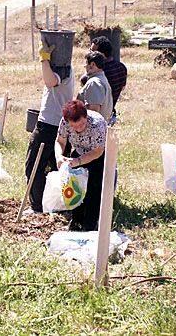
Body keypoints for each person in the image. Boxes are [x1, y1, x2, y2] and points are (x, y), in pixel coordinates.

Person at [25, 42, 75, 213]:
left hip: (50, 126)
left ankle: (40, 206)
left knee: (34, 166)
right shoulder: (62, 68)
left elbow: (49, 81)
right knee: (55, 168)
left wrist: (44, 59)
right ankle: (55, 204)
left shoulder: (64, 69)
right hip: (56, 125)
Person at [55, 100, 107, 231]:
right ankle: (76, 220)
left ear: (86, 117)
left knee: (93, 191)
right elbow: (60, 141)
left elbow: (97, 151)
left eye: (82, 124)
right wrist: (59, 157)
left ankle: (90, 224)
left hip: (96, 157)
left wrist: (78, 161)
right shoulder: (65, 122)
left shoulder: (97, 124)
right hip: (77, 153)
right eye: (75, 126)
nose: (79, 128)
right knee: (74, 187)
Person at [90, 36, 127, 125]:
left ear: (101, 55)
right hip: (110, 115)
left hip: (96, 119)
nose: (90, 54)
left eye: (92, 51)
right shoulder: (121, 67)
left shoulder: (100, 71)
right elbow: (122, 88)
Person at [77, 51, 113, 122]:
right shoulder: (102, 79)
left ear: (92, 64)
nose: (85, 66)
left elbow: (93, 113)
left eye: (86, 63)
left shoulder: (94, 83)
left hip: (91, 130)